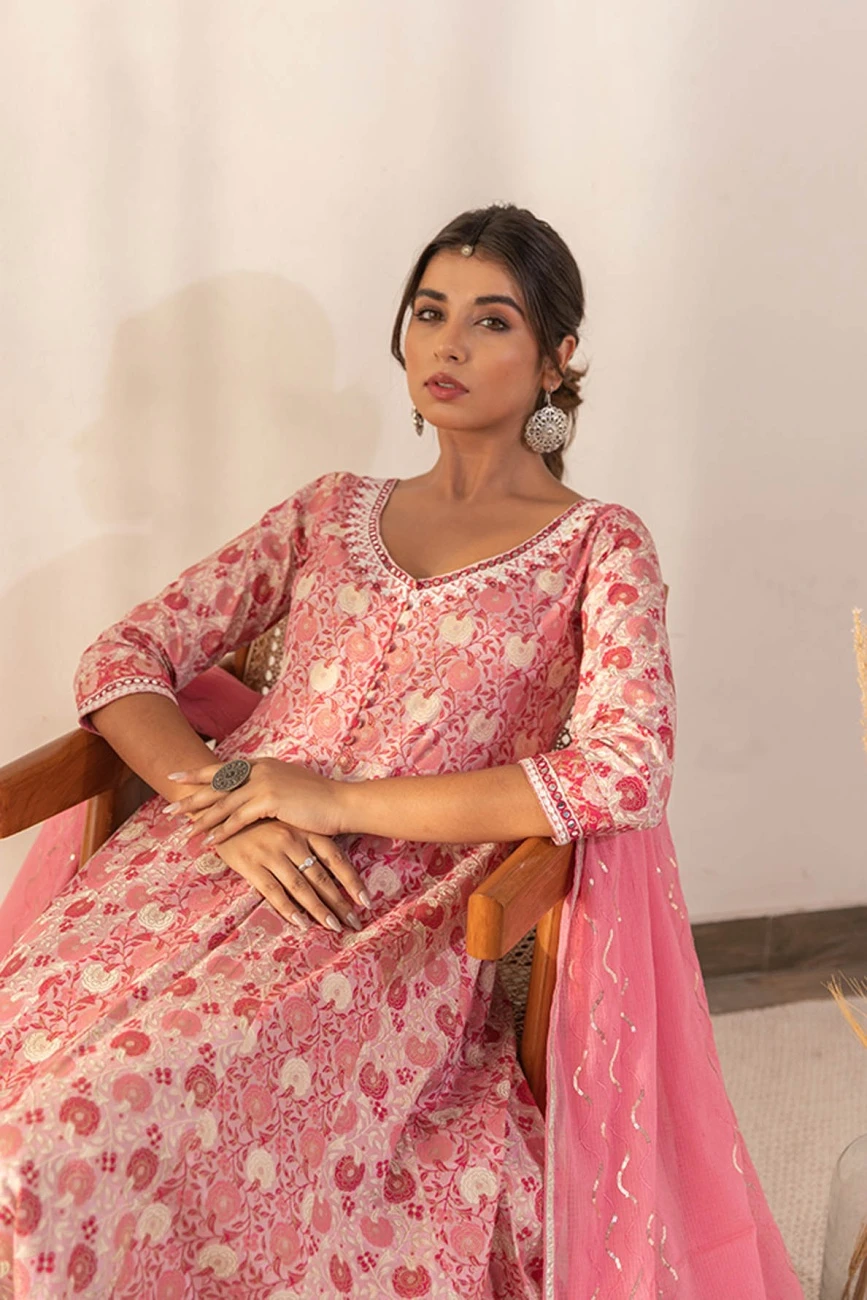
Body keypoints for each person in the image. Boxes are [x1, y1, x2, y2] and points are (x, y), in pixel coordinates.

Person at [0, 204, 803, 1298]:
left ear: (558, 358)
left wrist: (333, 800)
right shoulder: (328, 512)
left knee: (63, 1134)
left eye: (491, 320)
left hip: (378, 923)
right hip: (191, 866)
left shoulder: (596, 545)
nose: (447, 344)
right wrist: (219, 797)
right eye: (430, 313)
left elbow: (625, 766)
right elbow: (123, 658)